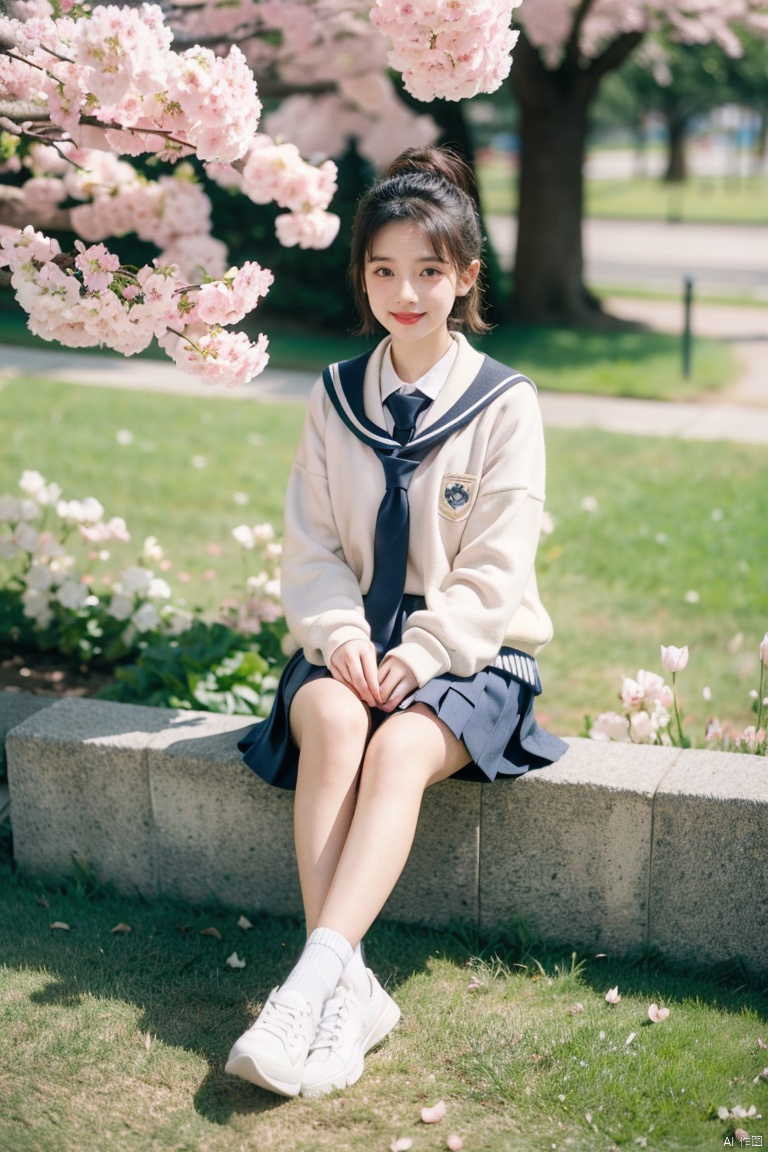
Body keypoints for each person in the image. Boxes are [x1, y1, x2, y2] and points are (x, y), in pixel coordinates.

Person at [227, 145, 567, 1099]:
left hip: (468, 652)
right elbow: (313, 549)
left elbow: (496, 571)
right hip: (350, 642)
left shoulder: (505, 405)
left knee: (400, 749)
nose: (405, 292)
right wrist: (342, 641)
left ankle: (306, 987)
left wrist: (421, 654)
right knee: (335, 718)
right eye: (383, 270)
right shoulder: (335, 399)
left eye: (428, 271)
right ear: (361, 275)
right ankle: (346, 987)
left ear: (465, 278)